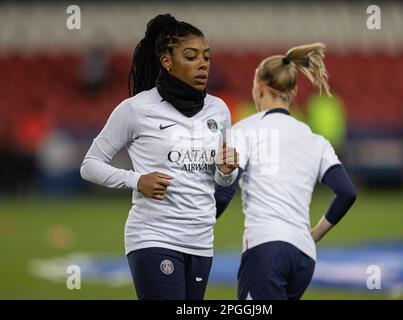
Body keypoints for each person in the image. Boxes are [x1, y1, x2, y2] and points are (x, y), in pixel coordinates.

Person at [80, 14, 239, 300]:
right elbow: (89, 165)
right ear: (167, 61)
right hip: (154, 236)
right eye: (191, 56)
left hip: (201, 241)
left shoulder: (219, 110)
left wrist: (227, 171)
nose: (202, 63)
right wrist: (136, 180)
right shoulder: (136, 109)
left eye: (206, 57)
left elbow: (220, 177)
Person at [215, 43, 357, 300]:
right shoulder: (314, 138)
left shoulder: (244, 130)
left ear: (260, 87)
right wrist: (311, 236)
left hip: (265, 248)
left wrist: (192, 225)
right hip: (303, 256)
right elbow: (346, 192)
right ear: (292, 92)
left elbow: (225, 192)